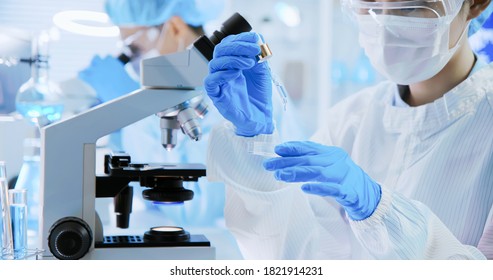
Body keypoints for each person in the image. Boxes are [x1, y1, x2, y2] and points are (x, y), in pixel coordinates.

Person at [203, 0, 493, 259]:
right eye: (370, 4)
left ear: (477, 4)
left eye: (411, 7)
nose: (385, 26)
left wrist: (379, 210)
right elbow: (299, 258)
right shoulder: (349, 119)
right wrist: (254, 140)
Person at [78, 0, 227, 228]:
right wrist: (117, 122)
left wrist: (134, 111)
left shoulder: (224, 91)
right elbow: (150, 191)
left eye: (134, 49)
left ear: (175, 27)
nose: (133, 64)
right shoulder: (183, 86)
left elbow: (197, 211)